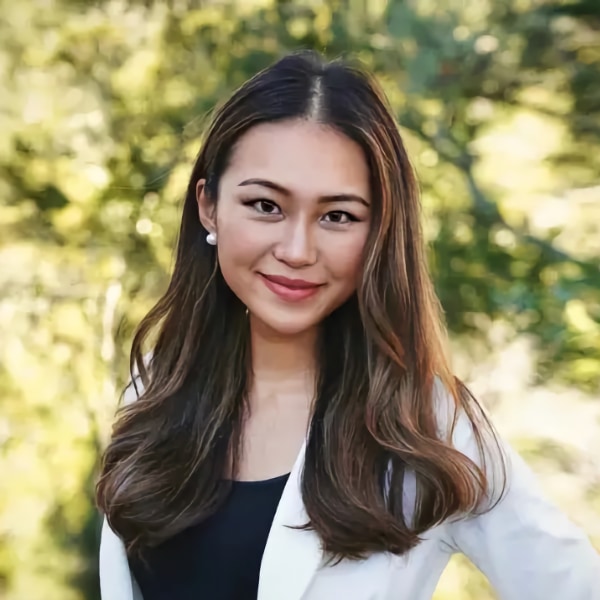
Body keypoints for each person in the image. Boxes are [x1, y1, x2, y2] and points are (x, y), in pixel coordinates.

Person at [96, 50, 600, 600]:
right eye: (266, 205)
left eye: (338, 216)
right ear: (209, 206)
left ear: (379, 230)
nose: (296, 250)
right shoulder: (156, 387)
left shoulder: (425, 425)